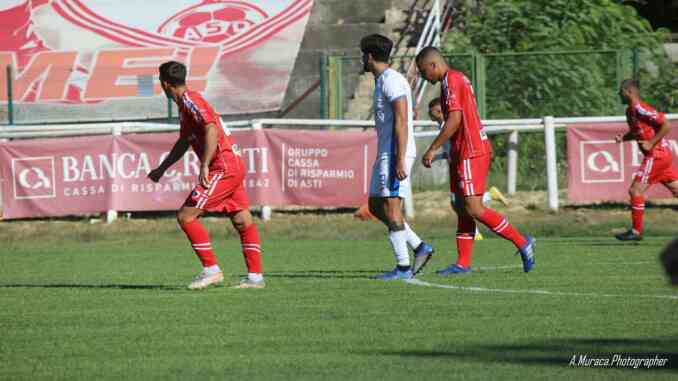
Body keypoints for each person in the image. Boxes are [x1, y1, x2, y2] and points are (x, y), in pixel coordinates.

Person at [416, 47, 535, 275]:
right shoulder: (453, 80)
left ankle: (522, 242)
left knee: (474, 208)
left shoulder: (451, 80)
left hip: (471, 150)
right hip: (463, 152)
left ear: (433, 65)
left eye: (423, 71)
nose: (423, 77)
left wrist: (433, 148)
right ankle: (463, 263)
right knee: (463, 208)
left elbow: (454, 120)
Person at [148, 61, 264, 289]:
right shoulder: (186, 105)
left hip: (223, 166)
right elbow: (184, 142)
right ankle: (255, 278)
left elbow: (210, 127)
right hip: (233, 162)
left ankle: (211, 270)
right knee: (242, 220)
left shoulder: (191, 101)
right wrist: (163, 168)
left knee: (186, 216)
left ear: (164, 84)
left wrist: (205, 165)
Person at [360, 34, 434, 279]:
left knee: (392, 208)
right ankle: (420, 246)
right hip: (387, 152)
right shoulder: (383, 80)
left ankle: (403, 267)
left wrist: (400, 158)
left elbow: (402, 119)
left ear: (369, 56)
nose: (363, 59)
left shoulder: (392, 80)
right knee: (375, 205)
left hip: (394, 153)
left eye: (363, 55)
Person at [427, 97, 510, 242]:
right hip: (456, 166)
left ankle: (477, 231)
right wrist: (436, 157)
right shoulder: (442, 126)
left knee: (464, 202)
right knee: (460, 202)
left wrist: (442, 155)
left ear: (439, 111)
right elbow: (449, 151)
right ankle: (490, 197)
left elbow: (458, 146)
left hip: (463, 166)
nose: (429, 115)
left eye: (432, 111)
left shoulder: (450, 125)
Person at [614, 79, 678, 241]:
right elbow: (638, 131)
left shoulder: (640, 108)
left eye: (621, 91)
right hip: (661, 155)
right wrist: (624, 137)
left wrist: (651, 143)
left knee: (635, 190)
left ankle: (636, 232)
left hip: (657, 155)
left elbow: (666, 125)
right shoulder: (630, 111)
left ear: (629, 92)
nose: (619, 94)